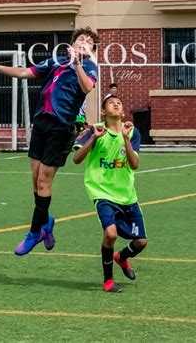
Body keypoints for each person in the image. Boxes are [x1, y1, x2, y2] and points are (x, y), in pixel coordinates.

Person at [0, 26, 99, 256]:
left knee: (43, 181)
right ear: (71, 44)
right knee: (35, 180)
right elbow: (25, 73)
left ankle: (34, 232)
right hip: (41, 123)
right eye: (80, 39)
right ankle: (46, 222)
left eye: (89, 42)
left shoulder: (90, 67)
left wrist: (78, 63)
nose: (84, 42)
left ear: (92, 49)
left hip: (62, 127)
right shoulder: (56, 62)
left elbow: (87, 87)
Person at [73, 95, 147, 293]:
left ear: (123, 112)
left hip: (127, 196)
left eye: (119, 103)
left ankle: (121, 258)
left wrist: (125, 138)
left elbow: (135, 164)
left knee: (141, 242)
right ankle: (108, 281)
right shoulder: (95, 130)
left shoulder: (132, 132)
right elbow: (77, 159)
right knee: (110, 233)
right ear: (103, 112)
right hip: (102, 192)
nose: (116, 104)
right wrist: (94, 139)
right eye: (110, 103)